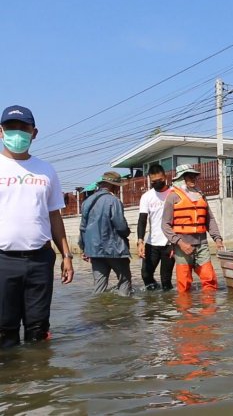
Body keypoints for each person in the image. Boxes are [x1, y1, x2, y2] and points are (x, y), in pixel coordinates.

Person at [0, 105, 74, 347]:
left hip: (40, 260)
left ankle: (40, 382)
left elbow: (54, 216)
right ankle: (12, 382)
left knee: (38, 330)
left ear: (34, 132)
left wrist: (66, 255)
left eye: (24, 128)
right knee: (4, 330)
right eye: (11, 127)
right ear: (1, 131)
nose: (17, 132)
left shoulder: (46, 170)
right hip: (3, 261)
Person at [162, 164, 224, 293]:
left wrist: (217, 239)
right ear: (181, 178)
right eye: (189, 177)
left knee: (209, 278)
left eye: (194, 177)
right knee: (184, 283)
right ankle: (185, 310)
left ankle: (209, 310)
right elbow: (165, 225)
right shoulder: (172, 197)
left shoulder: (201, 195)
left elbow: (209, 219)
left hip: (201, 244)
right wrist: (180, 243)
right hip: (182, 246)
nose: (193, 179)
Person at [79, 171, 133, 296]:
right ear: (114, 186)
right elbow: (120, 226)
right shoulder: (113, 201)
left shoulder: (87, 202)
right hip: (114, 249)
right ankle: (125, 312)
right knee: (124, 281)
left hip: (94, 250)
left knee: (99, 286)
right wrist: (127, 233)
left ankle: (98, 312)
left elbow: (82, 228)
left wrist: (84, 248)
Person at [137, 164, 175, 291]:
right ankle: (152, 305)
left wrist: (175, 243)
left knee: (166, 279)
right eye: (154, 182)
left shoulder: (174, 193)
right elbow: (142, 220)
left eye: (160, 180)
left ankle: (167, 306)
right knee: (146, 275)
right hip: (151, 243)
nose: (157, 183)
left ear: (165, 177)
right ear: (150, 180)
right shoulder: (147, 196)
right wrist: (140, 241)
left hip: (169, 243)